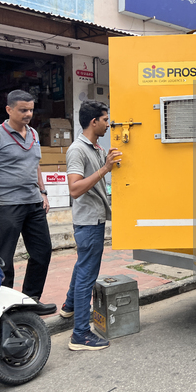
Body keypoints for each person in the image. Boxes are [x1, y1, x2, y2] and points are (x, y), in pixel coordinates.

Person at [0, 90, 56, 315]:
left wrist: (43, 192)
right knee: (4, 259)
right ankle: (4, 307)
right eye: (23, 110)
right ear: (9, 110)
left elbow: (35, 164)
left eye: (30, 109)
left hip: (33, 203)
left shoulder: (34, 134)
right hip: (6, 205)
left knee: (43, 252)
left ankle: (30, 299)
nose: (28, 114)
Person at [59, 100, 121, 351]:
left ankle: (69, 307)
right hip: (87, 221)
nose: (109, 124)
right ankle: (81, 335)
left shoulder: (94, 148)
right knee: (87, 275)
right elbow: (74, 189)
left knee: (82, 266)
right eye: (105, 119)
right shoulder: (77, 150)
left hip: (93, 218)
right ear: (93, 121)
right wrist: (105, 168)